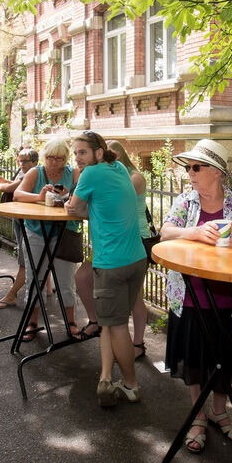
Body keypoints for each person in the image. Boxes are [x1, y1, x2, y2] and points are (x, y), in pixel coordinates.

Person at [161, 139, 232, 452]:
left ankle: (220, 412)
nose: (189, 172)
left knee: (225, 358)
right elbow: (166, 232)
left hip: (230, 297)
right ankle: (199, 416)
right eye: (188, 167)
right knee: (195, 359)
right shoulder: (186, 201)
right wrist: (192, 232)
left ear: (217, 171)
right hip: (191, 295)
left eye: (196, 167)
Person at [66, 131, 148, 407]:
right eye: (75, 153)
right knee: (109, 324)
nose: (77, 158)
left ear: (99, 152)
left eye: (82, 152)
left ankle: (131, 385)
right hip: (136, 258)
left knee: (116, 326)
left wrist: (70, 204)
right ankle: (105, 377)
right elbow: (104, 208)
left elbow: (74, 209)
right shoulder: (121, 168)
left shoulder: (91, 174)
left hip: (111, 264)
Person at [74, 140, 152, 357]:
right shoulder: (108, 173)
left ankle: (137, 343)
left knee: (135, 297)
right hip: (111, 243)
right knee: (82, 277)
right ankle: (97, 322)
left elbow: (100, 205)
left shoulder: (131, 177)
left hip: (135, 239)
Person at [12, 139, 80, 340]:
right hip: (36, 231)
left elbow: (84, 198)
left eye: (59, 158)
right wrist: (39, 195)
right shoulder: (36, 172)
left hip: (64, 233)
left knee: (66, 281)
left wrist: (68, 195)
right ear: (44, 157)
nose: (54, 162)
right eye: (50, 157)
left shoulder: (74, 173)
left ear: (65, 159)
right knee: (35, 278)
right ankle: (32, 323)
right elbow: (17, 194)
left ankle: (71, 323)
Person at [0, 147, 38, 309]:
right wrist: (6, 183)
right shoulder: (26, 173)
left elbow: (11, 190)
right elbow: (15, 185)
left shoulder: (33, 174)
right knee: (31, 256)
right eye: (20, 160)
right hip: (20, 217)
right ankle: (47, 287)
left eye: (25, 161)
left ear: (34, 162)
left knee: (26, 258)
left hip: (27, 220)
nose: (22, 164)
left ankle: (11, 295)